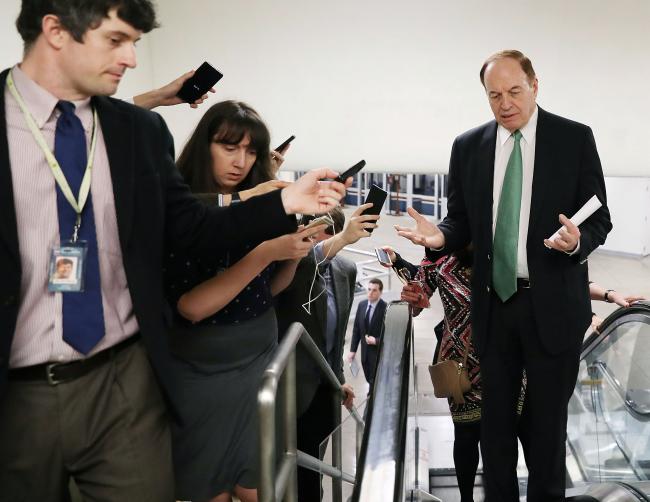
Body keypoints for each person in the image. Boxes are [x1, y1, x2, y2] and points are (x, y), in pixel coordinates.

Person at [0, 2, 347, 500]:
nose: (133, 58)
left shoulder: (137, 130)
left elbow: (193, 227)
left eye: (136, 42)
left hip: (126, 377)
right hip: (20, 391)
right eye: (117, 40)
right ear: (55, 31)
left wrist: (285, 201)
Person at [396, 50, 612, 501]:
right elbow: (460, 223)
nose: (504, 103)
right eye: (494, 95)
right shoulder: (468, 146)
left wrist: (576, 241)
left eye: (514, 91)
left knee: (547, 433)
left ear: (536, 85)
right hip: (494, 307)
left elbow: (598, 218)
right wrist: (439, 237)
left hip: (552, 306)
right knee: (494, 432)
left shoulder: (573, 139)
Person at [163, 99, 316, 502]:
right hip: (202, 372)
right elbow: (191, 306)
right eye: (229, 147)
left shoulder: (265, 204)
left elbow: (268, 290)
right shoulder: (184, 210)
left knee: (258, 487)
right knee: (210, 490)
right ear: (204, 145)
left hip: (259, 362)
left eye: (250, 151)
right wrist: (266, 253)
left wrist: (293, 254)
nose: (241, 161)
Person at [275, 204, 379, 501]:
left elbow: (334, 337)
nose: (319, 239)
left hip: (324, 392)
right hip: (288, 390)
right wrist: (342, 239)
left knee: (312, 475)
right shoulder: (293, 264)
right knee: (285, 472)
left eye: (328, 233)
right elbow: (312, 258)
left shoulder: (346, 270)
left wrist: (339, 378)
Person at [348, 278, 387, 390]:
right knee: (369, 379)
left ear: (380, 292)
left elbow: (389, 335)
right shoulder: (362, 305)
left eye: (374, 290)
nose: (370, 293)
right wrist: (352, 350)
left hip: (378, 354)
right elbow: (356, 330)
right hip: (364, 354)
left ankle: (372, 399)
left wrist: (376, 341)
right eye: (369, 289)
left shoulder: (385, 309)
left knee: (376, 382)